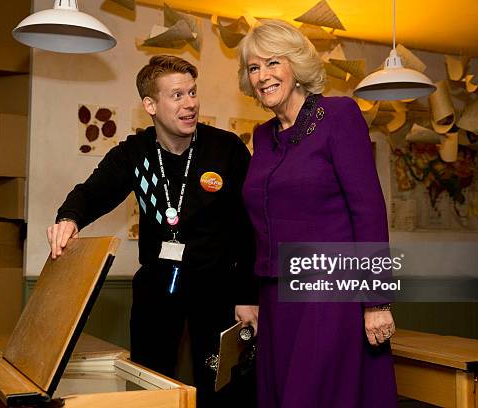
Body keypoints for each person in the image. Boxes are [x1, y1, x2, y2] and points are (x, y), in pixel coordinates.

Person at [47, 55, 258, 407]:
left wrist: (248, 295)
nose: (190, 103)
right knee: (149, 382)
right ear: (151, 104)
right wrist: (68, 218)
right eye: (177, 95)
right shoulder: (134, 154)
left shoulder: (226, 149)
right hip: (158, 285)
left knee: (222, 384)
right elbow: (91, 193)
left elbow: (250, 226)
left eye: (192, 92)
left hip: (218, 286)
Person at [237, 20, 397, 407]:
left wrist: (376, 301)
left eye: (272, 63)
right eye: (253, 68)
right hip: (275, 298)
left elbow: (369, 209)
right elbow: (259, 222)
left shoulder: (338, 116)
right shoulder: (263, 135)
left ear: (296, 67)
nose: (262, 76)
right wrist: (250, 295)